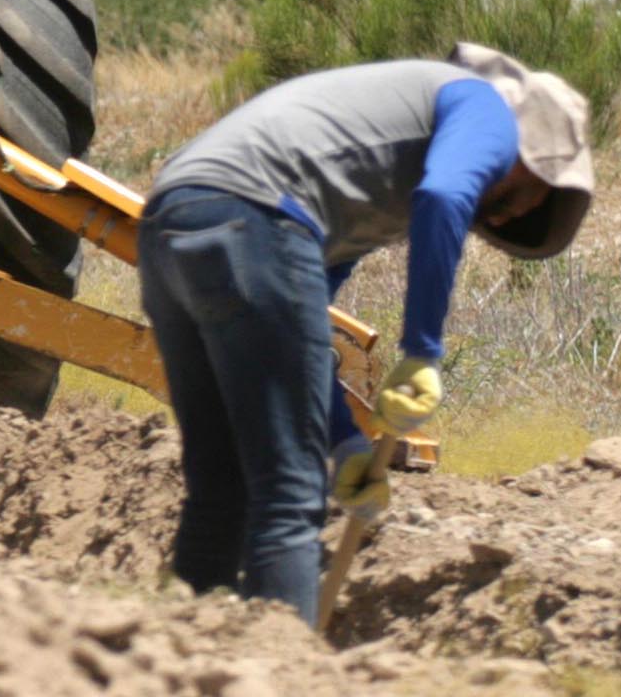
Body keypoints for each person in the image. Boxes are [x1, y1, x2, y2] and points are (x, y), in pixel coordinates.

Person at [136, 43, 596, 624]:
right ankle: (279, 676)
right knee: (289, 496)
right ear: (537, 154)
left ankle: (180, 666)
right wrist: (422, 350)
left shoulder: (366, 190)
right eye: (536, 196)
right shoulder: (493, 112)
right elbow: (446, 195)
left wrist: (345, 442)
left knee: (221, 487)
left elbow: (298, 331)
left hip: (173, 219)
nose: (507, 218)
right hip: (252, 212)